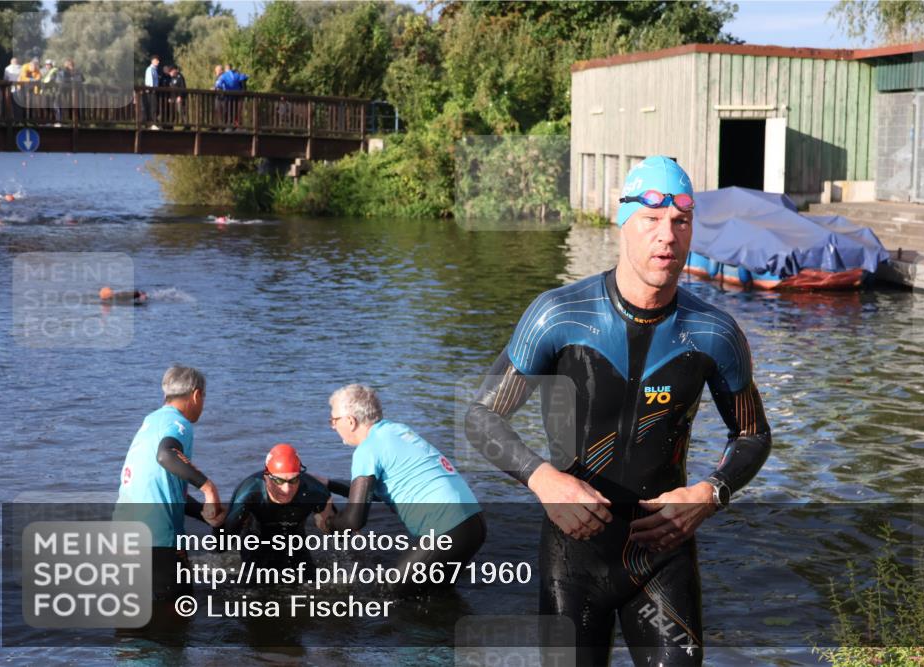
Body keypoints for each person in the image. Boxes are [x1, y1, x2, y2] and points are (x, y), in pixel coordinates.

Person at [464, 156, 772, 665]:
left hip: (663, 554)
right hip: (573, 556)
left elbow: (753, 434)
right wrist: (541, 479)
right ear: (622, 224)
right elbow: (481, 415)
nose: (666, 237)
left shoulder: (715, 334)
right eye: (651, 220)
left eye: (680, 222)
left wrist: (710, 493)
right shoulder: (558, 315)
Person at [323, 384, 486, 595]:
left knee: (387, 593)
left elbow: (354, 520)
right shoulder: (396, 431)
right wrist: (328, 483)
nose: (333, 426)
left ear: (350, 421)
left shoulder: (367, 449)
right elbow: (371, 492)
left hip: (446, 530)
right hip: (474, 523)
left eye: (333, 420)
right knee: (436, 596)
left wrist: (329, 522)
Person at [114, 366, 225, 601]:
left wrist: (202, 514)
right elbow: (166, 455)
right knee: (178, 614)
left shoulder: (151, 422)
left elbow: (161, 486)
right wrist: (209, 489)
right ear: (196, 395)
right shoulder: (179, 424)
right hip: (157, 538)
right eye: (204, 397)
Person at [222, 444, 339, 568]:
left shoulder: (315, 491)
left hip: (295, 541)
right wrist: (217, 524)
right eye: (279, 481)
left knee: (312, 581)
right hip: (255, 541)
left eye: (293, 480)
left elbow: (340, 536)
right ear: (266, 477)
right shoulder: (248, 492)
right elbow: (222, 544)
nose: (286, 489)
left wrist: (330, 525)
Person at [143, 55, 160, 129]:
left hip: (153, 91)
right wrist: (152, 90)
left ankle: (152, 123)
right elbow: (150, 81)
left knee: (154, 107)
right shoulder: (150, 69)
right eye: (157, 60)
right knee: (152, 107)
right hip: (151, 91)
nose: (158, 62)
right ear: (152, 61)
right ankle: (152, 123)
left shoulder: (154, 69)